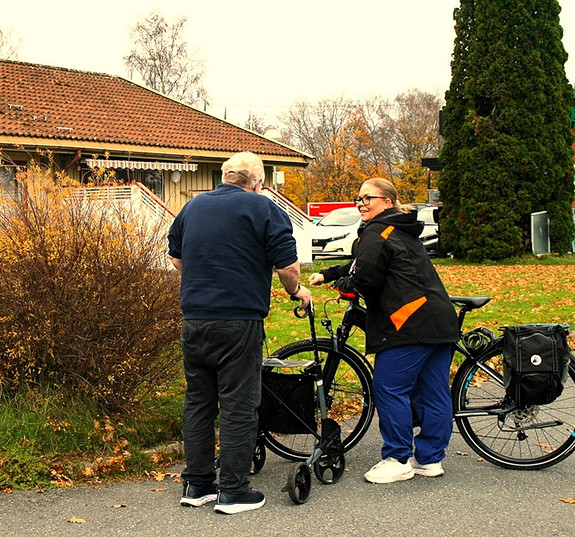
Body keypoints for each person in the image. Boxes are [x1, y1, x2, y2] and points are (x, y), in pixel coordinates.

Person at [168, 151, 311, 513]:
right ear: (257, 182)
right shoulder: (263, 209)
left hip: (194, 320)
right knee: (238, 404)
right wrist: (297, 291)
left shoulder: (193, 208)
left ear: (224, 176)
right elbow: (288, 267)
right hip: (238, 321)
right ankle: (233, 491)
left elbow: (176, 257)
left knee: (198, 403)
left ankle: (197, 485)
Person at [309, 178, 458, 484]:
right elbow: (363, 265)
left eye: (369, 198)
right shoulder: (399, 229)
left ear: (387, 202)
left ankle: (398, 458)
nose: (361, 203)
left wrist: (343, 286)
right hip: (439, 319)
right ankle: (429, 460)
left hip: (408, 323)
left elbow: (365, 277)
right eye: (358, 198)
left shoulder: (377, 232)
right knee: (434, 391)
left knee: (390, 388)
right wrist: (330, 273)